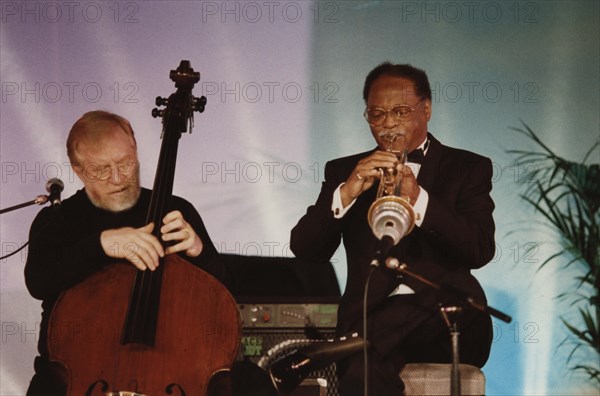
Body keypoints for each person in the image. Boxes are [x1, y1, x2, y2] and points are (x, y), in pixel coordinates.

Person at [289, 63, 495, 395]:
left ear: (426, 109)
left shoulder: (468, 168)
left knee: (363, 343)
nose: (387, 124)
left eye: (400, 111)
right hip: (371, 321)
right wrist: (348, 191)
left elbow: (480, 249)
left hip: (448, 322)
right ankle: (360, 343)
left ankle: (346, 346)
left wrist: (420, 199)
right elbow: (305, 249)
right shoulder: (344, 171)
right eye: (377, 114)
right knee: (362, 362)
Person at [24, 110, 222, 395]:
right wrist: (102, 244)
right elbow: (39, 282)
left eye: (125, 163)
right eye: (101, 169)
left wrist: (199, 251)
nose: (117, 178)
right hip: (72, 381)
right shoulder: (56, 221)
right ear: (78, 170)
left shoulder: (174, 211)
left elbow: (224, 291)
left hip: (168, 372)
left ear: (136, 151)